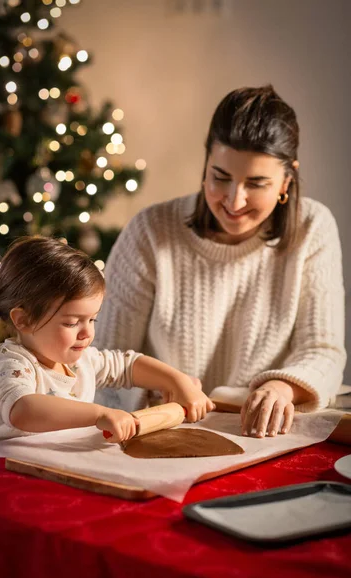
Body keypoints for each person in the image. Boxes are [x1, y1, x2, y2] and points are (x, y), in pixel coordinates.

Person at [94, 84, 347, 439]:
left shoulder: (313, 228)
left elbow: (322, 350)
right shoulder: (150, 231)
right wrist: (153, 395)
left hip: (260, 438)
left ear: (287, 180)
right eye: (220, 177)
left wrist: (281, 388)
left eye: (256, 183)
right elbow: (103, 362)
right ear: (206, 165)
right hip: (157, 435)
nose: (234, 200)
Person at [0, 236, 214, 448]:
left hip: (49, 467)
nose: (87, 333)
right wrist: (100, 414)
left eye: (93, 320)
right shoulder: (12, 363)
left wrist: (176, 381)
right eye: (71, 323)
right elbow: (23, 410)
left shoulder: (82, 360)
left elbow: (128, 366)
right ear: (24, 320)